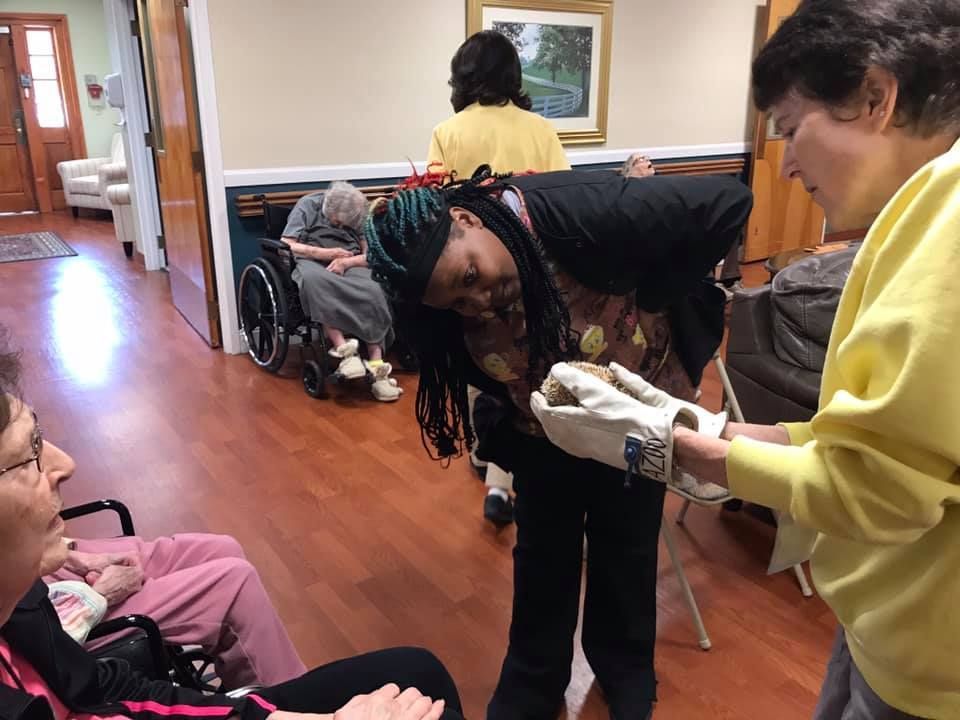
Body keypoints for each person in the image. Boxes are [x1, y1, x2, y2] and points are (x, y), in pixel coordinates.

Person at [532, 2, 960, 719]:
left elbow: (877, 493)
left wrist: (681, 452)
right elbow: (876, 448)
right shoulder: (914, 218)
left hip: (929, 659)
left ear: (875, 98)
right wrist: (704, 422)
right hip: (882, 618)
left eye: (793, 130)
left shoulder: (946, 226)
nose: (787, 164)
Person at [364, 166, 752, 719]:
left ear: (467, 219)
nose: (478, 302)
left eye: (471, 275)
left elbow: (728, 200)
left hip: (632, 418)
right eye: (458, 302)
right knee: (543, 552)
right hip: (541, 429)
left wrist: (659, 288)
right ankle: (534, 681)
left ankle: (624, 668)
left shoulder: (579, 208)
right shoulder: (445, 294)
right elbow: (451, 353)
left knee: (629, 541)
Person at [0, 328, 463, 720]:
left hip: (70, 606)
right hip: (79, 604)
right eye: (30, 453)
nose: (65, 463)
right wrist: (97, 596)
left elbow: (96, 688)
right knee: (235, 580)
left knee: (417, 671)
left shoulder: (23, 601)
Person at [427, 29, 572, 527]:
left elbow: (437, 212)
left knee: (484, 360)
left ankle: (490, 459)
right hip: (533, 266)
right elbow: (560, 201)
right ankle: (524, 462)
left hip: (475, 271)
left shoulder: (450, 132)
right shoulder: (541, 129)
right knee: (536, 361)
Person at [45, 533, 307, 688]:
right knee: (236, 585)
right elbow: (29, 639)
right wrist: (98, 596)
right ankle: (295, 706)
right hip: (50, 621)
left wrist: (69, 556)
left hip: (36, 565)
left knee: (222, 548)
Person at [281, 182, 401, 402]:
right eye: (338, 222)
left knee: (374, 287)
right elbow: (288, 243)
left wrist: (349, 262)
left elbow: (370, 253)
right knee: (316, 282)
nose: (340, 226)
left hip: (350, 260)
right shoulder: (308, 206)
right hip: (312, 260)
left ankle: (377, 366)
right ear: (330, 211)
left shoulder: (357, 212)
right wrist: (324, 253)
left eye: (345, 225)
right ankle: (345, 351)